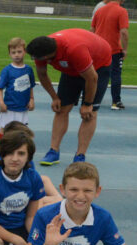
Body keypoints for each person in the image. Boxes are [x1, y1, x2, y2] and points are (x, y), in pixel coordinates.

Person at [27, 29, 112, 165]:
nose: (34, 60)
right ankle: (53, 151)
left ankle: (80, 155)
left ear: (48, 56)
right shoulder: (41, 49)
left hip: (98, 65)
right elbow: (42, 74)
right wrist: (54, 97)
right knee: (61, 109)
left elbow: (92, 78)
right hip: (71, 68)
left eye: (36, 58)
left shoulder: (75, 50)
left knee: (89, 114)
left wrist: (88, 103)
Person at [0, 121, 63, 209]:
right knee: (46, 204)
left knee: (45, 179)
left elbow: (32, 177)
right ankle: (58, 202)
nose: (15, 158)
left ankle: (58, 199)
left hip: (24, 187)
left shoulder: (25, 155)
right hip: (14, 195)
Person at [91, 0, 129, 110]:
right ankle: (116, 101)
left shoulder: (100, 10)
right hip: (113, 49)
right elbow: (124, 32)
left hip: (98, 48)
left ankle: (90, 98)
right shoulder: (121, 11)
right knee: (115, 74)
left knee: (95, 74)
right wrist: (125, 49)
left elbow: (92, 29)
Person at [0, 37, 35, 135]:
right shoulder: (7, 70)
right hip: (9, 108)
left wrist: (32, 99)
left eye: (19, 51)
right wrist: (1, 103)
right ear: (9, 54)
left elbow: (30, 86)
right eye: (13, 52)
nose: (16, 55)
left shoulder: (29, 70)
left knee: (22, 132)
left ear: (24, 52)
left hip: (23, 107)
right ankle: (0, 149)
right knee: (5, 130)